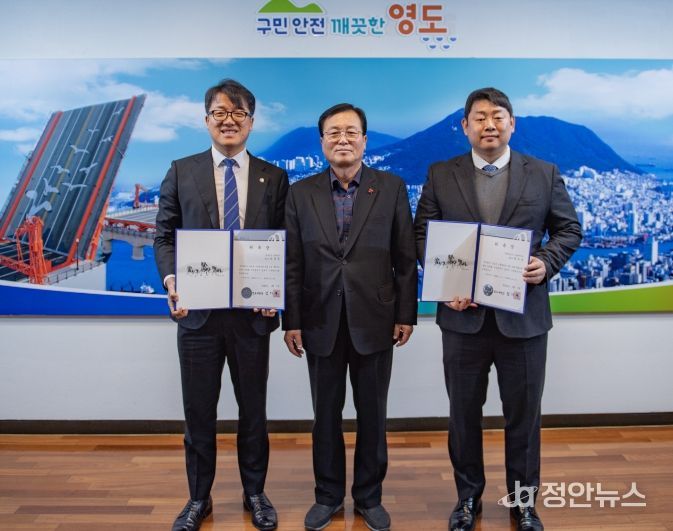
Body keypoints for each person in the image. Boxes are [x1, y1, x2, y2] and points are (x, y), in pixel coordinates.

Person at [414, 87, 582, 531]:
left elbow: (569, 229)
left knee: (524, 417)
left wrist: (545, 262)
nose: (489, 124)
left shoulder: (543, 173)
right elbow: (422, 234)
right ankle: (467, 499)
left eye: (498, 116)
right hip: (462, 318)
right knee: (463, 416)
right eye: (479, 117)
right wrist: (447, 284)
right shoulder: (441, 173)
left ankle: (524, 503)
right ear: (464, 126)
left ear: (512, 123)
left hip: (523, 320)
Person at [154, 79, 289, 531]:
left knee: (254, 411)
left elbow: (284, 242)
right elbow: (164, 236)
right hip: (198, 317)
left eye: (238, 113)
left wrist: (276, 293)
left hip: (252, 318)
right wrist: (172, 279)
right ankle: (199, 498)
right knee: (198, 413)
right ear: (206, 119)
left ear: (251, 121)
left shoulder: (274, 177)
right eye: (220, 113)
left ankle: (255, 493)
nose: (228, 121)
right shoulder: (181, 170)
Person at [283, 103, 417, 531]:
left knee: (373, 414)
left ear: (364, 140)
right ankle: (326, 496)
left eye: (351, 131)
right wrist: (291, 320)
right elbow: (292, 262)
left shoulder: (391, 187)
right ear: (322, 142)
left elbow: (405, 258)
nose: (343, 139)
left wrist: (406, 314)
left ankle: (369, 497)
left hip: (376, 318)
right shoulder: (300, 193)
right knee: (325, 415)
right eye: (334, 132)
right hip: (319, 319)